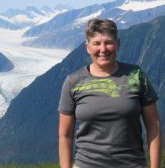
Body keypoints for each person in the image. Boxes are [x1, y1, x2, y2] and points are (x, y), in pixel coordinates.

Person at [58, 19, 162, 168]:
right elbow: (65, 135)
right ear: (87, 47)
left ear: (118, 44)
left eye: (108, 42)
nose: (103, 49)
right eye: (96, 43)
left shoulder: (135, 76)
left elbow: (154, 125)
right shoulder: (73, 82)